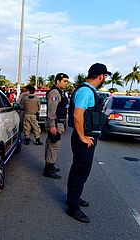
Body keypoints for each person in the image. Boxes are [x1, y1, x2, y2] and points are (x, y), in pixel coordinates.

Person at [66, 63, 111, 223]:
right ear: (100, 76)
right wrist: (82, 137)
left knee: (78, 170)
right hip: (84, 139)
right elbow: (78, 115)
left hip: (86, 137)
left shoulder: (86, 90)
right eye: (104, 76)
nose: (104, 79)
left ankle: (73, 199)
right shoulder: (86, 91)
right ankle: (73, 207)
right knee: (81, 172)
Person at [44, 73, 69, 179]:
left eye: (67, 81)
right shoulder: (55, 92)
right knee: (54, 145)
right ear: (58, 81)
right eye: (64, 81)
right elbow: (52, 110)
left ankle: (49, 166)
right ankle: (49, 168)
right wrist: (52, 125)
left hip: (59, 122)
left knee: (52, 144)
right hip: (56, 122)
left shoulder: (60, 92)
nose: (66, 83)